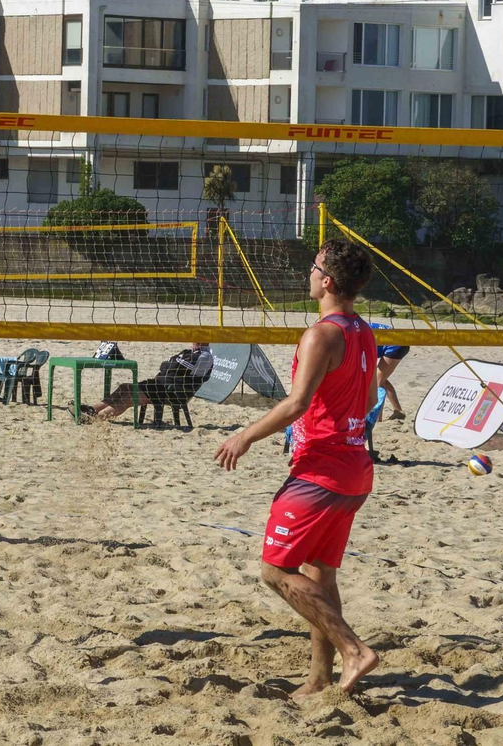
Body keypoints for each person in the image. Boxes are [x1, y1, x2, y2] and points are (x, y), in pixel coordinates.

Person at [214, 239, 380, 697]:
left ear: (326, 281)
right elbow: (369, 402)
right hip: (355, 469)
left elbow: (296, 403)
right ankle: (319, 680)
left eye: (313, 268)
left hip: (320, 473)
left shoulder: (322, 334)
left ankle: (354, 650)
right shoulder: (363, 332)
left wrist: (244, 435)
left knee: (273, 571)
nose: (308, 274)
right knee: (319, 575)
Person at [84, 343, 214, 426]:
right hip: (160, 385)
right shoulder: (189, 352)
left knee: (128, 398)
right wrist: (172, 365)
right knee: (124, 387)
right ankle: (91, 409)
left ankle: (95, 418)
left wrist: (172, 364)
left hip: (173, 391)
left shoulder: (204, 356)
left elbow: (172, 366)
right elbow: (165, 365)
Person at [368, 322, 408, 420]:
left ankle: (378, 418)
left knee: (377, 382)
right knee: (380, 380)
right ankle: (398, 411)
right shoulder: (358, 327)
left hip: (397, 345)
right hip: (401, 341)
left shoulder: (356, 333)